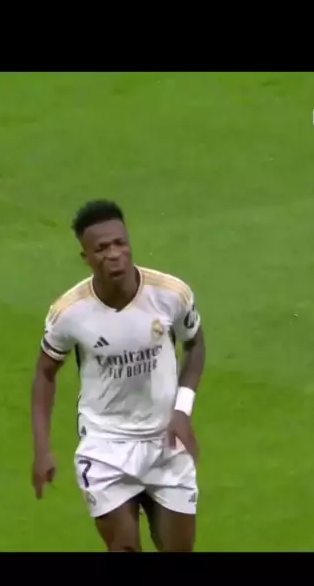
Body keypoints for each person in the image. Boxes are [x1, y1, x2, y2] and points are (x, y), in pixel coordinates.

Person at [31, 200, 206, 552]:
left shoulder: (169, 294)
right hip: (105, 445)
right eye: (102, 248)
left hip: (166, 441)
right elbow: (45, 374)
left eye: (120, 243)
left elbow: (195, 344)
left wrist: (182, 410)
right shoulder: (70, 312)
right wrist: (43, 449)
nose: (114, 254)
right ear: (86, 257)